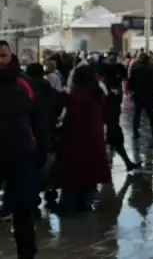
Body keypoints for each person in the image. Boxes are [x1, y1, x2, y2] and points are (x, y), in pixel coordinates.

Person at [0, 43, 43, 258]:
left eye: (3, 54)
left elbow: (39, 119)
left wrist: (42, 151)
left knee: (23, 209)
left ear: (10, 56)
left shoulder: (24, 84)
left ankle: (27, 253)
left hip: (21, 155)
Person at [52, 65, 112, 213]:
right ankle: (85, 203)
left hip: (77, 138)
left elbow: (71, 117)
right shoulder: (98, 92)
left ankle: (67, 206)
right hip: (95, 137)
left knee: (73, 173)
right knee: (90, 172)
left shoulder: (77, 93)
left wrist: (60, 130)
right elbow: (106, 114)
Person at [101, 54, 140, 172]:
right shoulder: (110, 90)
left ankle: (125, 162)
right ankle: (124, 162)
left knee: (115, 140)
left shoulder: (105, 86)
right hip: (111, 118)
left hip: (110, 118)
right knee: (115, 139)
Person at [128, 53, 153, 139]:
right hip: (149, 95)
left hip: (138, 94)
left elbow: (130, 82)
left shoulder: (135, 69)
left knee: (137, 114)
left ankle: (135, 131)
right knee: (150, 113)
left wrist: (131, 92)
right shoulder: (152, 69)